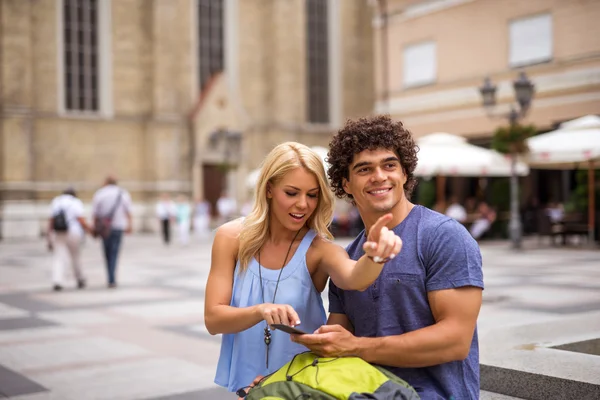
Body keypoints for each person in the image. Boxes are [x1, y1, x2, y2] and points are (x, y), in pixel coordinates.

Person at [292, 115, 484, 400]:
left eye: (389, 165)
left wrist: (356, 346)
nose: (379, 176)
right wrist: (279, 377)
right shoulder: (348, 261)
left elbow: (455, 341)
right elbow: (337, 344)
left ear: (405, 174)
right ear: (345, 183)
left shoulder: (443, 236)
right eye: (364, 168)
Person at [205, 142, 402, 393]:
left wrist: (375, 256)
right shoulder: (230, 238)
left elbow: (355, 277)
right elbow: (213, 320)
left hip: (302, 387)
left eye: (312, 195)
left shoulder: (320, 249)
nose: (303, 204)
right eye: (291, 193)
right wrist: (261, 310)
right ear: (269, 189)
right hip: (246, 385)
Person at [92, 175, 133, 288]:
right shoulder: (123, 193)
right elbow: (128, 211)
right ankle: (112, 278)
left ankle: (110, 276)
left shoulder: (100, 193)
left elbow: (95, 213)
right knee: (114, 252)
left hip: (105, 227)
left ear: (106, 182)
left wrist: (94, 227)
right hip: (118, 226)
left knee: (107, 252)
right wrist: (130, 225)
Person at [47, 187, 91, 291]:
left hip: (59, 232)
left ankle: (57, 281)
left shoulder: (56, 201)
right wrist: (89, 230)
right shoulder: (76, 202)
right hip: (74, 232)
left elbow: (51, 220)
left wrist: (48, 236)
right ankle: (79, 278)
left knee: (59, 257)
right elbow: (81, 219)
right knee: (76, 256)